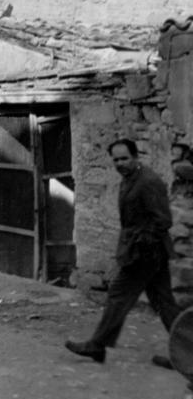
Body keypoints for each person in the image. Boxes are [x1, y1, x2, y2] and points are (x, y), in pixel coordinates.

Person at [65, 138, 180, 365]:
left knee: (118, 295)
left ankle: (97, 345)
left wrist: (139, 245)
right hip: (145, 252)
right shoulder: (130, 179)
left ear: (135, 157)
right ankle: (187, 353)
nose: (120, 163)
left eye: (124, 158)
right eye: (116, 159)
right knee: (164, 302)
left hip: (146, 253)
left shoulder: (148, 182)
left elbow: (163, 220)